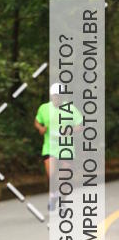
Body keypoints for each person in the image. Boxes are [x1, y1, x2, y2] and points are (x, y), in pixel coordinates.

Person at [34, 82, 83, 211]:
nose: (56, 98)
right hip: (50, 147)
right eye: (54, 96)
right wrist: (40, 128)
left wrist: (70, 130)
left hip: (66, 148)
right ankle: (53, 195)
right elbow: (37, 121)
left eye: (59, 96)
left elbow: (81, 125)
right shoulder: (44, 108)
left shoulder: (70, 109)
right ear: (51, 96)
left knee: (65, 177)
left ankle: (62, 200)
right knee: (52, 173)